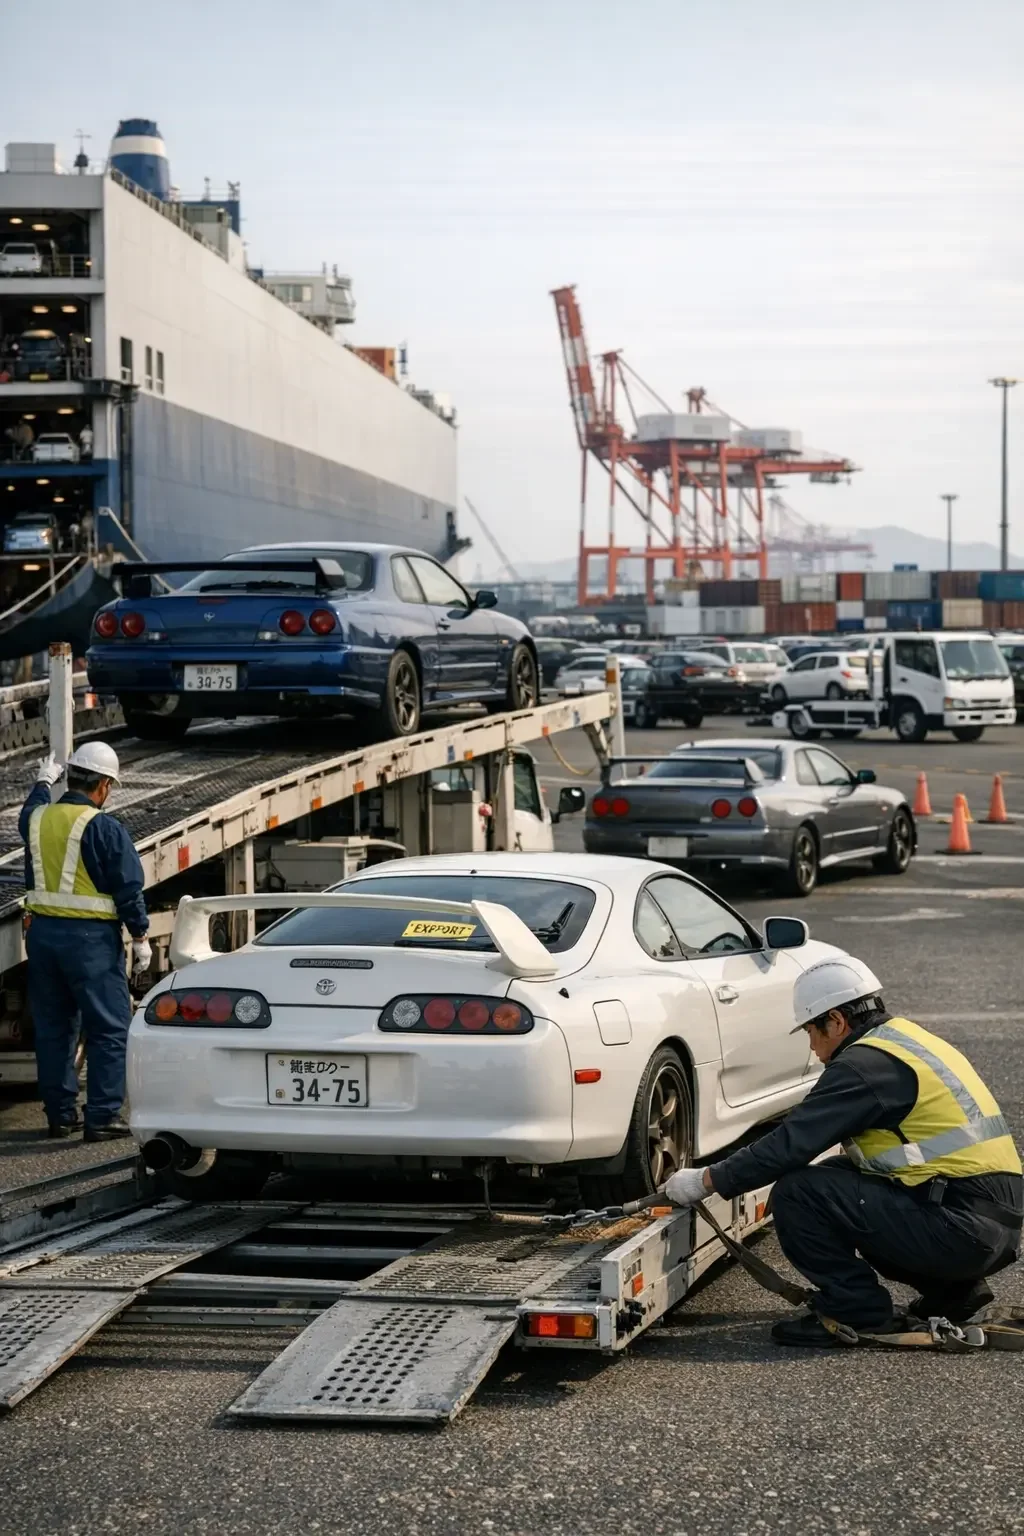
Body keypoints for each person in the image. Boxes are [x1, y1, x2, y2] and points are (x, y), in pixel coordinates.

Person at [665, 958, 1022, 1346]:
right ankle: (956, 1295)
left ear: (835, 1021)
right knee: (842, 1174)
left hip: (960, 1231)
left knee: (799, 1192)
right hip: (989, 1226)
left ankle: (857, 1311)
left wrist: (704, 1180)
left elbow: (788, 1145)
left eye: (811, 1032)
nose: (812, 1046)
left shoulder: (863, 1066)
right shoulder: (907, 1041)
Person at [20, 742, 151, 1141]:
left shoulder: (38, 818)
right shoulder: (105, 828)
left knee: (55, 1028)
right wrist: (141, 936)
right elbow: (128, 889)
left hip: (42, 937)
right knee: (109, 1028)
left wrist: (43, 782)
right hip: (90, 942)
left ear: (71, 777)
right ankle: (102, 1118)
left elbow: (29, 810)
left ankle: (60, 1117)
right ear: (105, 786)